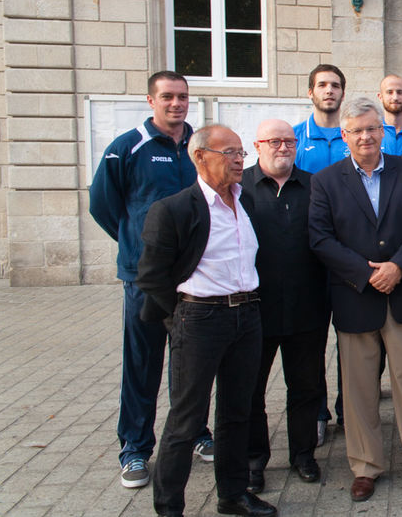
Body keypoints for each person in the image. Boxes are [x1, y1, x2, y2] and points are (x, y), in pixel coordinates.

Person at [307, 97, 402, 506]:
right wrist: (366, 272)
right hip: (355, 297)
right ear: (344, 135)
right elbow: (319, 237)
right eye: (357, 131)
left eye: (372, 128)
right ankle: (365, 466)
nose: (366, 136)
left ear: (382, 131)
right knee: (359, 389)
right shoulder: (326, 181)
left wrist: (398, 267)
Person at [135, 125, 275, 517]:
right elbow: (150, 274)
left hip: (247, 315)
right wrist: (179, 317)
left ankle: (232, 495)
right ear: (200, 156)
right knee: (187, 418)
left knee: (237, 412)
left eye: (240, 153)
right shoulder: (175, 209)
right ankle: (169, 507)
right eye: (228, 152)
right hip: (200, 317)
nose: (238, 160)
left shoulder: (246, 202)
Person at [88, 70, 213, 489]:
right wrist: (139, 246)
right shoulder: (128, 148)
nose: (176, 104)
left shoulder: (200, 146)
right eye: (167, 97)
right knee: (143, 364)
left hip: (195, 278)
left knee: (191, 363)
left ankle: (196, 433)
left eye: (182, 97)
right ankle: (136, 449)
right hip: (145, 281)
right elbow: (105, 207)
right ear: (151, 100)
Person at [241, 120, 328, 493]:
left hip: (307, 307)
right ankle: (253, 460)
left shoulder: (315, 186)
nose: (282, 148)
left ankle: (303, 455)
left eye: (289, 142)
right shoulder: (239, 187)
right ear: (257, 145)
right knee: (250, 391)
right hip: (252, 311)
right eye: (274, 141)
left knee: (306, 387)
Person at [292, 63, 349, 440]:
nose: (329, 91)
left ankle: (351, 408)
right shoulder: (293, 138)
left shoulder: (356, 136)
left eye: (335, 85)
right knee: (310, 341)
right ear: (310, 92)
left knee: (354, 338)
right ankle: (316, 409)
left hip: (351, 258)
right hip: (307, 258)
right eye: (322, 85)